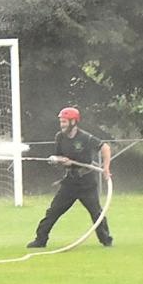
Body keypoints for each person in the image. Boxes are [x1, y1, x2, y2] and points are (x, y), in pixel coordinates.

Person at [27, 107, 113, 249]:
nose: (62, 125)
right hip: (70, 183)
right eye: (61, 122)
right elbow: (61, 157)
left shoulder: (85, 137)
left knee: (96, 212)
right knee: (53, 211)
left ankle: (106, 240)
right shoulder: (60, 137)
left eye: (65, 122)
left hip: (86, 182)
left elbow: (105, 148)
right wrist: (59, 160)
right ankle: (40, 240)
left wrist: (106, 167)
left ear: (73, 121)